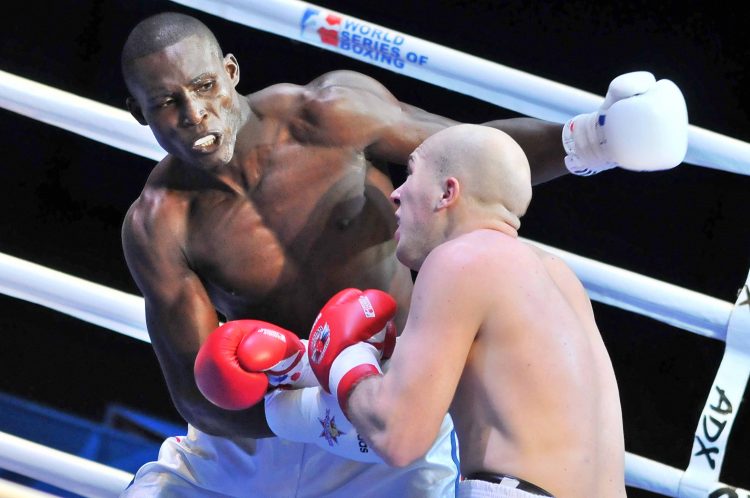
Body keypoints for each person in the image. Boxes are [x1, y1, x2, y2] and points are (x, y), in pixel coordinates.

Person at [118, 10, 684, 498]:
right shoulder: (159, 223)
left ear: (232, 73)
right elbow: (195, 395)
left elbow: (468, 161)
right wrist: (310, 419)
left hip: (392, 398)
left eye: (204, 86)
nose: (194, 114)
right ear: (139, 112)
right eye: (167, 102)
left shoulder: (330, 115)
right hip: (267, 418)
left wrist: (595, 140)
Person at [306, 124, 627, 498]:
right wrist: (301, 361)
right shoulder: (559, 277)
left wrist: (344, 362)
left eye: (410, 173)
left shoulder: (460, 259)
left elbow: (399, 435)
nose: (396, 194)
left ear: (447, 192)